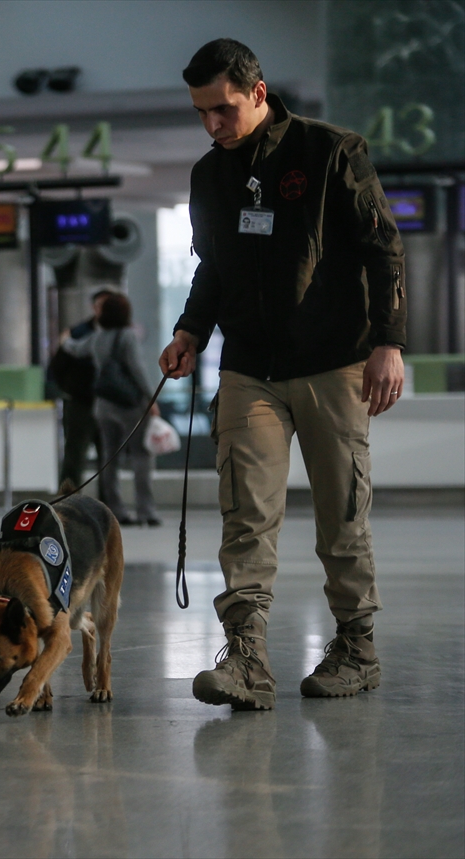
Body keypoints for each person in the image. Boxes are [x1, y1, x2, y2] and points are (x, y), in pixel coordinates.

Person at [159, 39, 405, 710]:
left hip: (333, 362)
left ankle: (357, 647)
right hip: (249, 367)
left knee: (341, 515)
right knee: (245, 514)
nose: (212, 125)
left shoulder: (331, 152)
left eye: (223, 109)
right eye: (201, 113)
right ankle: (246, 660)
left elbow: (383, 247)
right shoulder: (210, 177)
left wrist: (389, 343)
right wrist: (189, 330)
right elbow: (212, 268)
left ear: (258, 93)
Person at [66, 292, 160, 526]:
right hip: (130, 406)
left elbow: (75, 349)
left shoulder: (97, 337)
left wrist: (65, 339)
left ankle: (115, 510)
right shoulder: (127, 336)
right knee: (141, 456)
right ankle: (145, 511)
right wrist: (151, 397)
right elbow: (137, 369)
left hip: (104, 406)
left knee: (109, 458)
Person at [48, 289, 114, 488]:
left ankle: (110, 507)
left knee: (110, 458)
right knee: (74, 456)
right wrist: (71, 389)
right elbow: (57, 367)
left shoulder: (120, 334)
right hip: (81, 404)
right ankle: (68, 501)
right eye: (101, 305)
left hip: (110, 403)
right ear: (94, 308)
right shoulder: (77, 333)